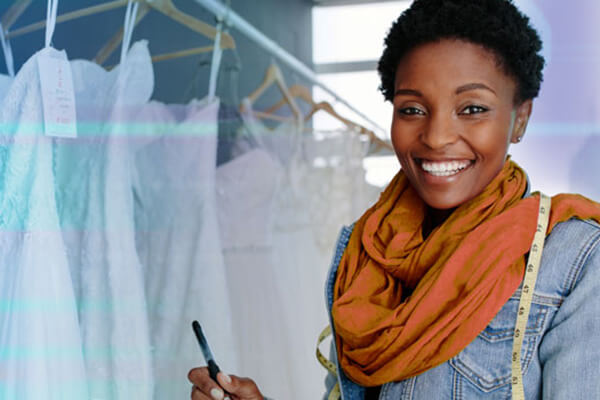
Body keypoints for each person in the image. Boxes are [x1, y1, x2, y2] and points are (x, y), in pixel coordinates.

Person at [188, 0, 600, 398]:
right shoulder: (364, 251)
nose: (436, 137)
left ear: (520, 119)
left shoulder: (572, 261)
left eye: (472, 108)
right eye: (412, 110)